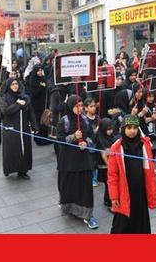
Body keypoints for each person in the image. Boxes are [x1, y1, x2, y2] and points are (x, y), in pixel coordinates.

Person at [108, 114, 156, 234]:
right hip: (124, 192)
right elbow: (112, 175)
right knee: (121, 224)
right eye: (129, 128)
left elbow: (149, 170)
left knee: (140, 222)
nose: (132, 131)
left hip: (140, 192)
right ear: (123, 129)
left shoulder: (144, 144)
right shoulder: (117, 147)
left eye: (135, 128)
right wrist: (114, 196)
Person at [56, 95, 98, 229]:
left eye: (81, 105)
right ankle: (69, 208)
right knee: (69, 186)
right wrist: (74, 136)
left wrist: (86, 142)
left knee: (85, 187)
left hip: (83, 160)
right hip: (68, 161)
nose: (79, 108)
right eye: (76, 106)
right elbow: (59, 140)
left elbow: (92, 136)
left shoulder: (85, 120)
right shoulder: (64, 121)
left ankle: (87, 215)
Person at [0, 78, 39, 179]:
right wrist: (17, 104)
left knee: (24, 149)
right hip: (11, 128)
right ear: (8, 86)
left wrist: (35, 126)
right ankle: (8, 169)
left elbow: (31, 113)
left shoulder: (25, 97)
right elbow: (5, 111)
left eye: (16, 84)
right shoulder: (4, 98)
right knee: (11, 150)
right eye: (12, 84)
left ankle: (23, 171)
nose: (15, 86)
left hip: (24, 128)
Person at [95, 118, 116, 209]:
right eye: (108, 129)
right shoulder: (100, 139)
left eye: (111, 129)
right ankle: (108, 201)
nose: (110, 131)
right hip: (105, 166)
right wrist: (110, 166)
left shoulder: (110, 137)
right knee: (109, 184)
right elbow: (103, 155)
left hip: (110, 165)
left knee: (109, 185)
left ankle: (108, 200)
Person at [28, 64, 51, 146]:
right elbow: (33, 93)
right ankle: (39, 138)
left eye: (41, 70)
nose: (40, 72)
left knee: (45, 120)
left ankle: (44, 137)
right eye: (38, 71)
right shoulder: (33, 80)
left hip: (44, 104)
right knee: (38, 121)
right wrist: (41, 87)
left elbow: (47, 89)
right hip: (36, 105)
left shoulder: (43, 79)